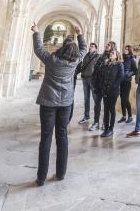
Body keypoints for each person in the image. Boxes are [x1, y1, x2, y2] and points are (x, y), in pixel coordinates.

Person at [30, 22, 86, 186]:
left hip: (48, 102)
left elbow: (38, 49)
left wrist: (36, 32)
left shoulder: (51, 60)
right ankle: (61, 173)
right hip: (65, 103)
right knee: (62, 136)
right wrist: (80, 33)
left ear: (62, 48)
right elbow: (83, 50)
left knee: (45, 138)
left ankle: (41, 177)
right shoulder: (75, 61)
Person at [97, 42, 124, 137]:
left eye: (112, 54)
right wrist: (102, 86)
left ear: (117, 56)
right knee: (105, 109)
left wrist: (112, 87)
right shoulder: (106, 64)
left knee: (111, 109)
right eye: (110, 54)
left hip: (113, 91)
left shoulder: (119, 65)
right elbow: (102, 75)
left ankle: (111, 129)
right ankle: (106, 128)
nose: (110, 55)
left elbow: (120, 78)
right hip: (105, 90)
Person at [89, 42, 112, 131]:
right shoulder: (101, 56)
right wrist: (94, 82)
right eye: (106, 45)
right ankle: (96, 123)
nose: (106, 46)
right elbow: (96, 70)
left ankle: (105, 122)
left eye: (109, 45)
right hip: (98, 84)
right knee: (97, 104)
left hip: (106, 85)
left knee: (107, 106)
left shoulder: (113, 57)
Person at [77, 42, 100, 124]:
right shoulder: (86, 55)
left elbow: (98, 68)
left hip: (92, 79)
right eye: (90, 46)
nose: (90, 48)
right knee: (86, 98)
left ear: (96, 48)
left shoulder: (98, 56)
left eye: (93, 47)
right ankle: (86, 116)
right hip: (85, 79)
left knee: (95, 99)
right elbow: (82, 65)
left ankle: (96, 119)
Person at [118, 45, 138, 124]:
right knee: (122, 99)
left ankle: (130, 116)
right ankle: (123, 116)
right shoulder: (123, 58)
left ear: (129, 50)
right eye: (125, 49)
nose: (125, 50)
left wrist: (128, 75)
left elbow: (135, 70)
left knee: (125, 99)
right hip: (121, 81)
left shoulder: (132, 59)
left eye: (127, 49)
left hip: (127, 81)